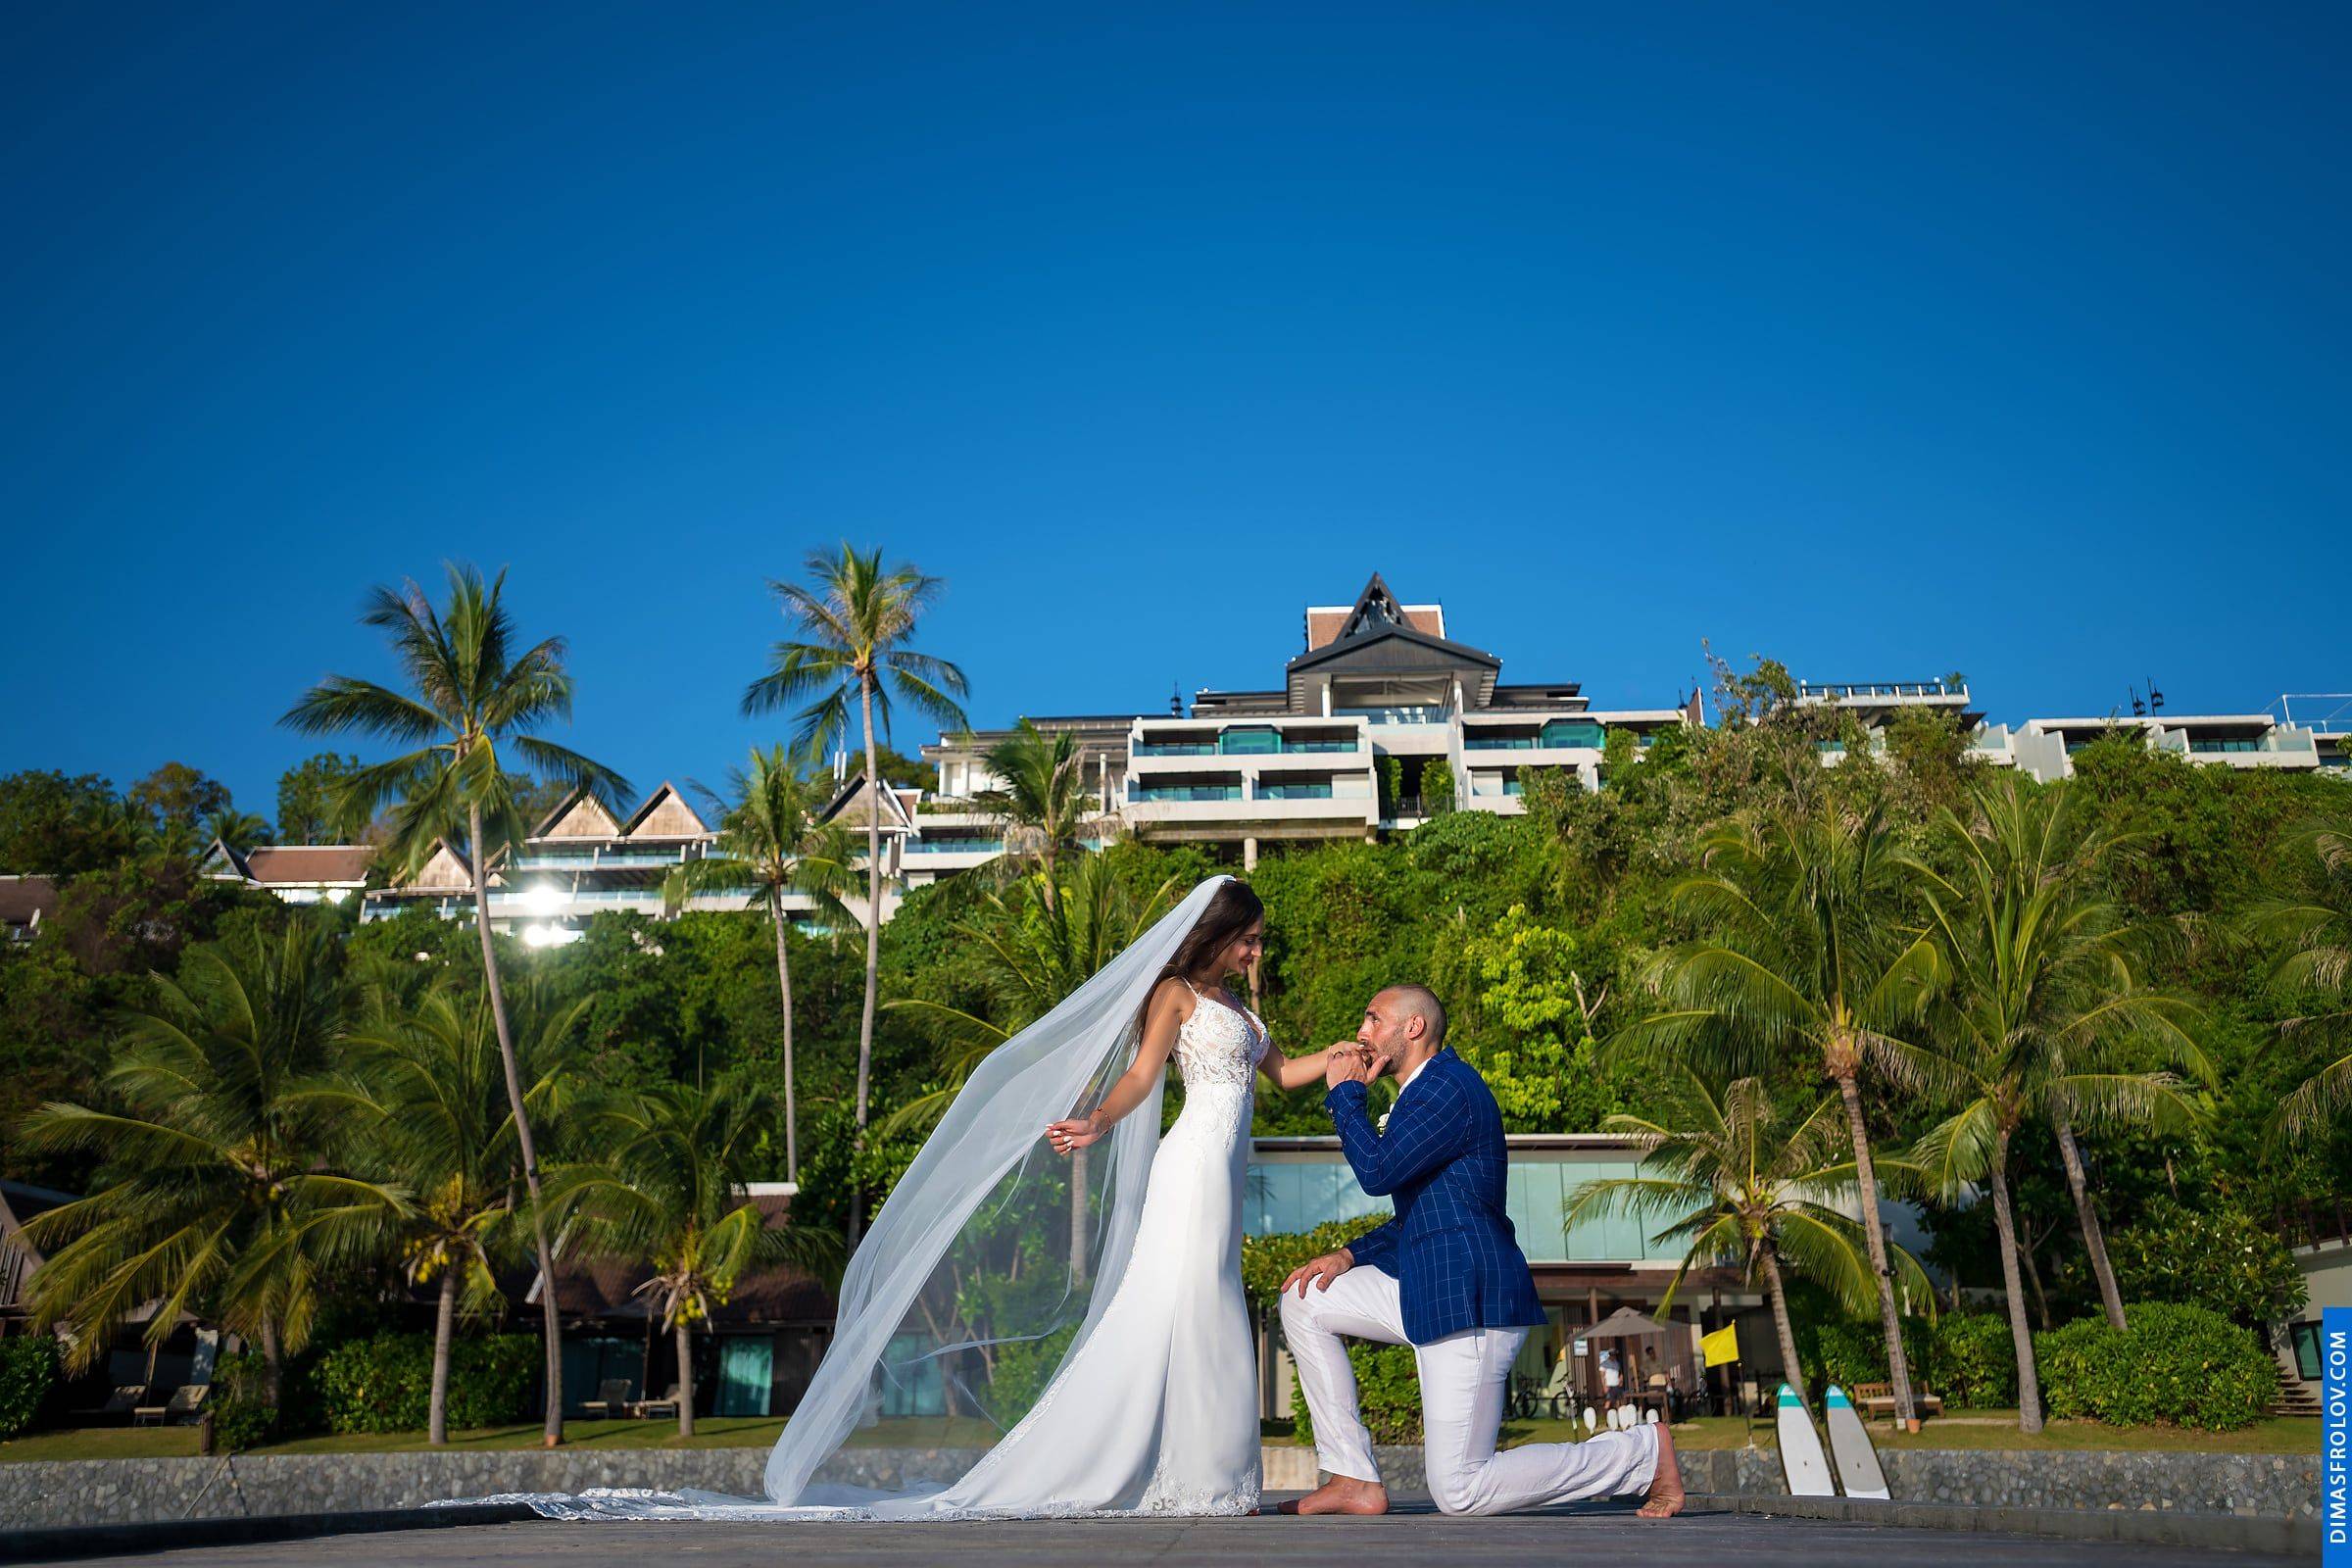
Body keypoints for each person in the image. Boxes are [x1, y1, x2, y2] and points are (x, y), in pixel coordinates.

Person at [1276, 985, 1685, 1519]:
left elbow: (1377, 1173)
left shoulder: (1448, 1089)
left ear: (1413, 1028)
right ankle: (1352, 1476)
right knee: (1305, 1297)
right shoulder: (1421, 1093)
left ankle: (1641, 1454)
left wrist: (1347, 1094)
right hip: (1427, 1289)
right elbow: (1427, 1215)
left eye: (1374, 1019)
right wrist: (1349, 1256)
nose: (1361, 1032)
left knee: (1460, 1490)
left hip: (1468, 1300)